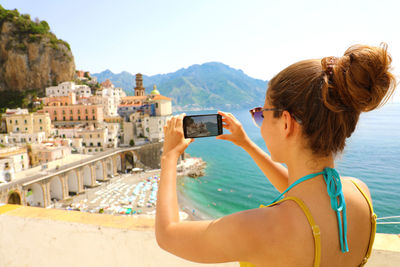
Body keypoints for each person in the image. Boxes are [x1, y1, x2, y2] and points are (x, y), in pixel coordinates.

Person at [155, 43, 396, 266]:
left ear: (286, 123)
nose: (259, 123)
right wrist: (246, 144)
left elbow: (168, 234)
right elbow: (302, 192)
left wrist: (169, 156)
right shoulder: (360, 193)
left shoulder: (260, 228)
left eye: (262, 114)